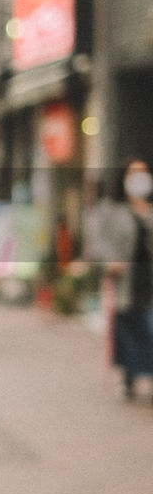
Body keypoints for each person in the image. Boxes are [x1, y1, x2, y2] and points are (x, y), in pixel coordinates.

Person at [90, 158, 153, 400]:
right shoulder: (112, 209)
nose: (140, 177)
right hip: (126, 280)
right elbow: (99, 242)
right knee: (128, 328)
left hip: (148, 278)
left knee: (148, 327)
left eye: (143, 172)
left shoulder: (148, 209)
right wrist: (111, 262)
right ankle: (129, 378)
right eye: (134, 172)